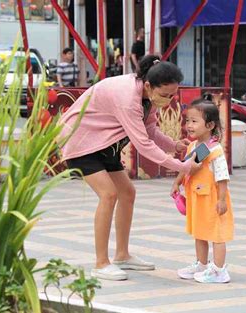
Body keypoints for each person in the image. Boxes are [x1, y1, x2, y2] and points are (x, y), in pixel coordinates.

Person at [58, 54, 201, 281]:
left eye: (173, 94)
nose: (169, 99)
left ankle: (122, 255)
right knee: (109, 194)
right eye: (165, 95)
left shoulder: (150, 98)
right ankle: (101, 263)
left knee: (127, 193)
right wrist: (181, 166)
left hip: (104, 144)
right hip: (80, 140)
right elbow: (143, 145)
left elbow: (151, 130)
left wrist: (174, 145)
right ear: (148, 85)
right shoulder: (127, 97)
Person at [171, 96, 234, 283]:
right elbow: (187, 166)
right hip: (197, 198)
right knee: (199, 231)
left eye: (194, 121)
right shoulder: (193, 145)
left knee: (216, 233)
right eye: (187, 121)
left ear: (210, 125)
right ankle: (202, 264)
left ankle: (219, 270)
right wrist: (177, 182)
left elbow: (222, 177)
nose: (189, 125)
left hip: (212, 199)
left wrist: (222, 200)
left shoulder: (214, 150)